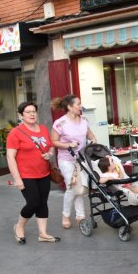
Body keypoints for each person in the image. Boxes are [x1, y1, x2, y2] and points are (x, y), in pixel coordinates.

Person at [6, 102, 60, 244]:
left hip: (44, 173)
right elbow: (10, 157)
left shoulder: (42, 129)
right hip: (26, 175)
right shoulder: (15, 133)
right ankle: (19, 226)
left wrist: (49, 154)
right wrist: (17, 179)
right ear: (21, 115)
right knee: (33, 202)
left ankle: (43, 234)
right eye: (28, 112)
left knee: (42, 203)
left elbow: (50, 147)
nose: (31, 114)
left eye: (34, 111)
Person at [51, 95, 97, 229]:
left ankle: (80, 216)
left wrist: (93, 140)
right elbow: (53, 141)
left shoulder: (83, 120)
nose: (80, 106)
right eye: (78, 104)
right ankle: (65, 215)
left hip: (81, 159)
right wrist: (68, 145)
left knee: (80, 187)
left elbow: (91, 135)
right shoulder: (60, 123)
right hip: (67, 160)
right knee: (72, 187)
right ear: (69, 107)